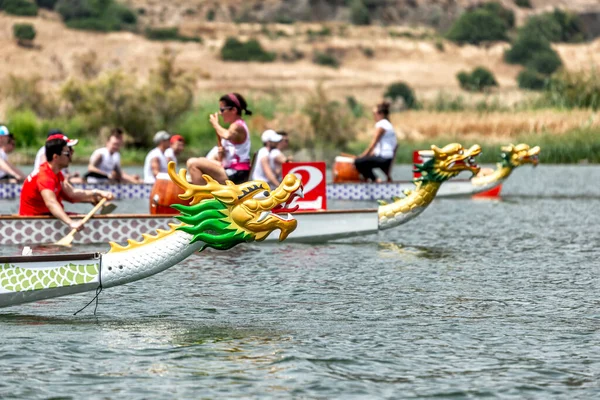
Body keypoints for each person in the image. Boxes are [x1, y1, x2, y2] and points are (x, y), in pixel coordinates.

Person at [19, 134, 114, 231]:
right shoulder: (45, 176)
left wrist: (96, 193)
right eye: (68, 152)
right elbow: (51, 203)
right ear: (56, 157)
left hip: (45, 218)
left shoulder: (55, 173)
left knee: (84, 220)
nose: (72, 154)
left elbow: (71, 194)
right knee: (86, 224)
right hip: (33, 224)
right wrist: (71, 223)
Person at [186, 93, 252, 185]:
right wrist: (222, 153)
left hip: (236, 173)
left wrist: (215, 124)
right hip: (230, 169)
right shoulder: (235, 126)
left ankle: (202, 196)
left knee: (193, 164)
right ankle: (204, 193)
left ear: (233, 110)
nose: (220, 113)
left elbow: (227, 135)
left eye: (222, 110)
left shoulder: (238, 126)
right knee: (196, 160)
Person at [354, 101, 398, 182]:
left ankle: (376, 180)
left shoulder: (382, 124)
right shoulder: (388, 125)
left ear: (381, 114)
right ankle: (372, 179)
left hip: (383, 158)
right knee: (365, 162)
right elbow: (395, 145)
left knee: (358, 162)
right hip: (387, 158)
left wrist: (363, 156)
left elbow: (373, 143)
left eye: (374, 114)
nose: (373, 116)